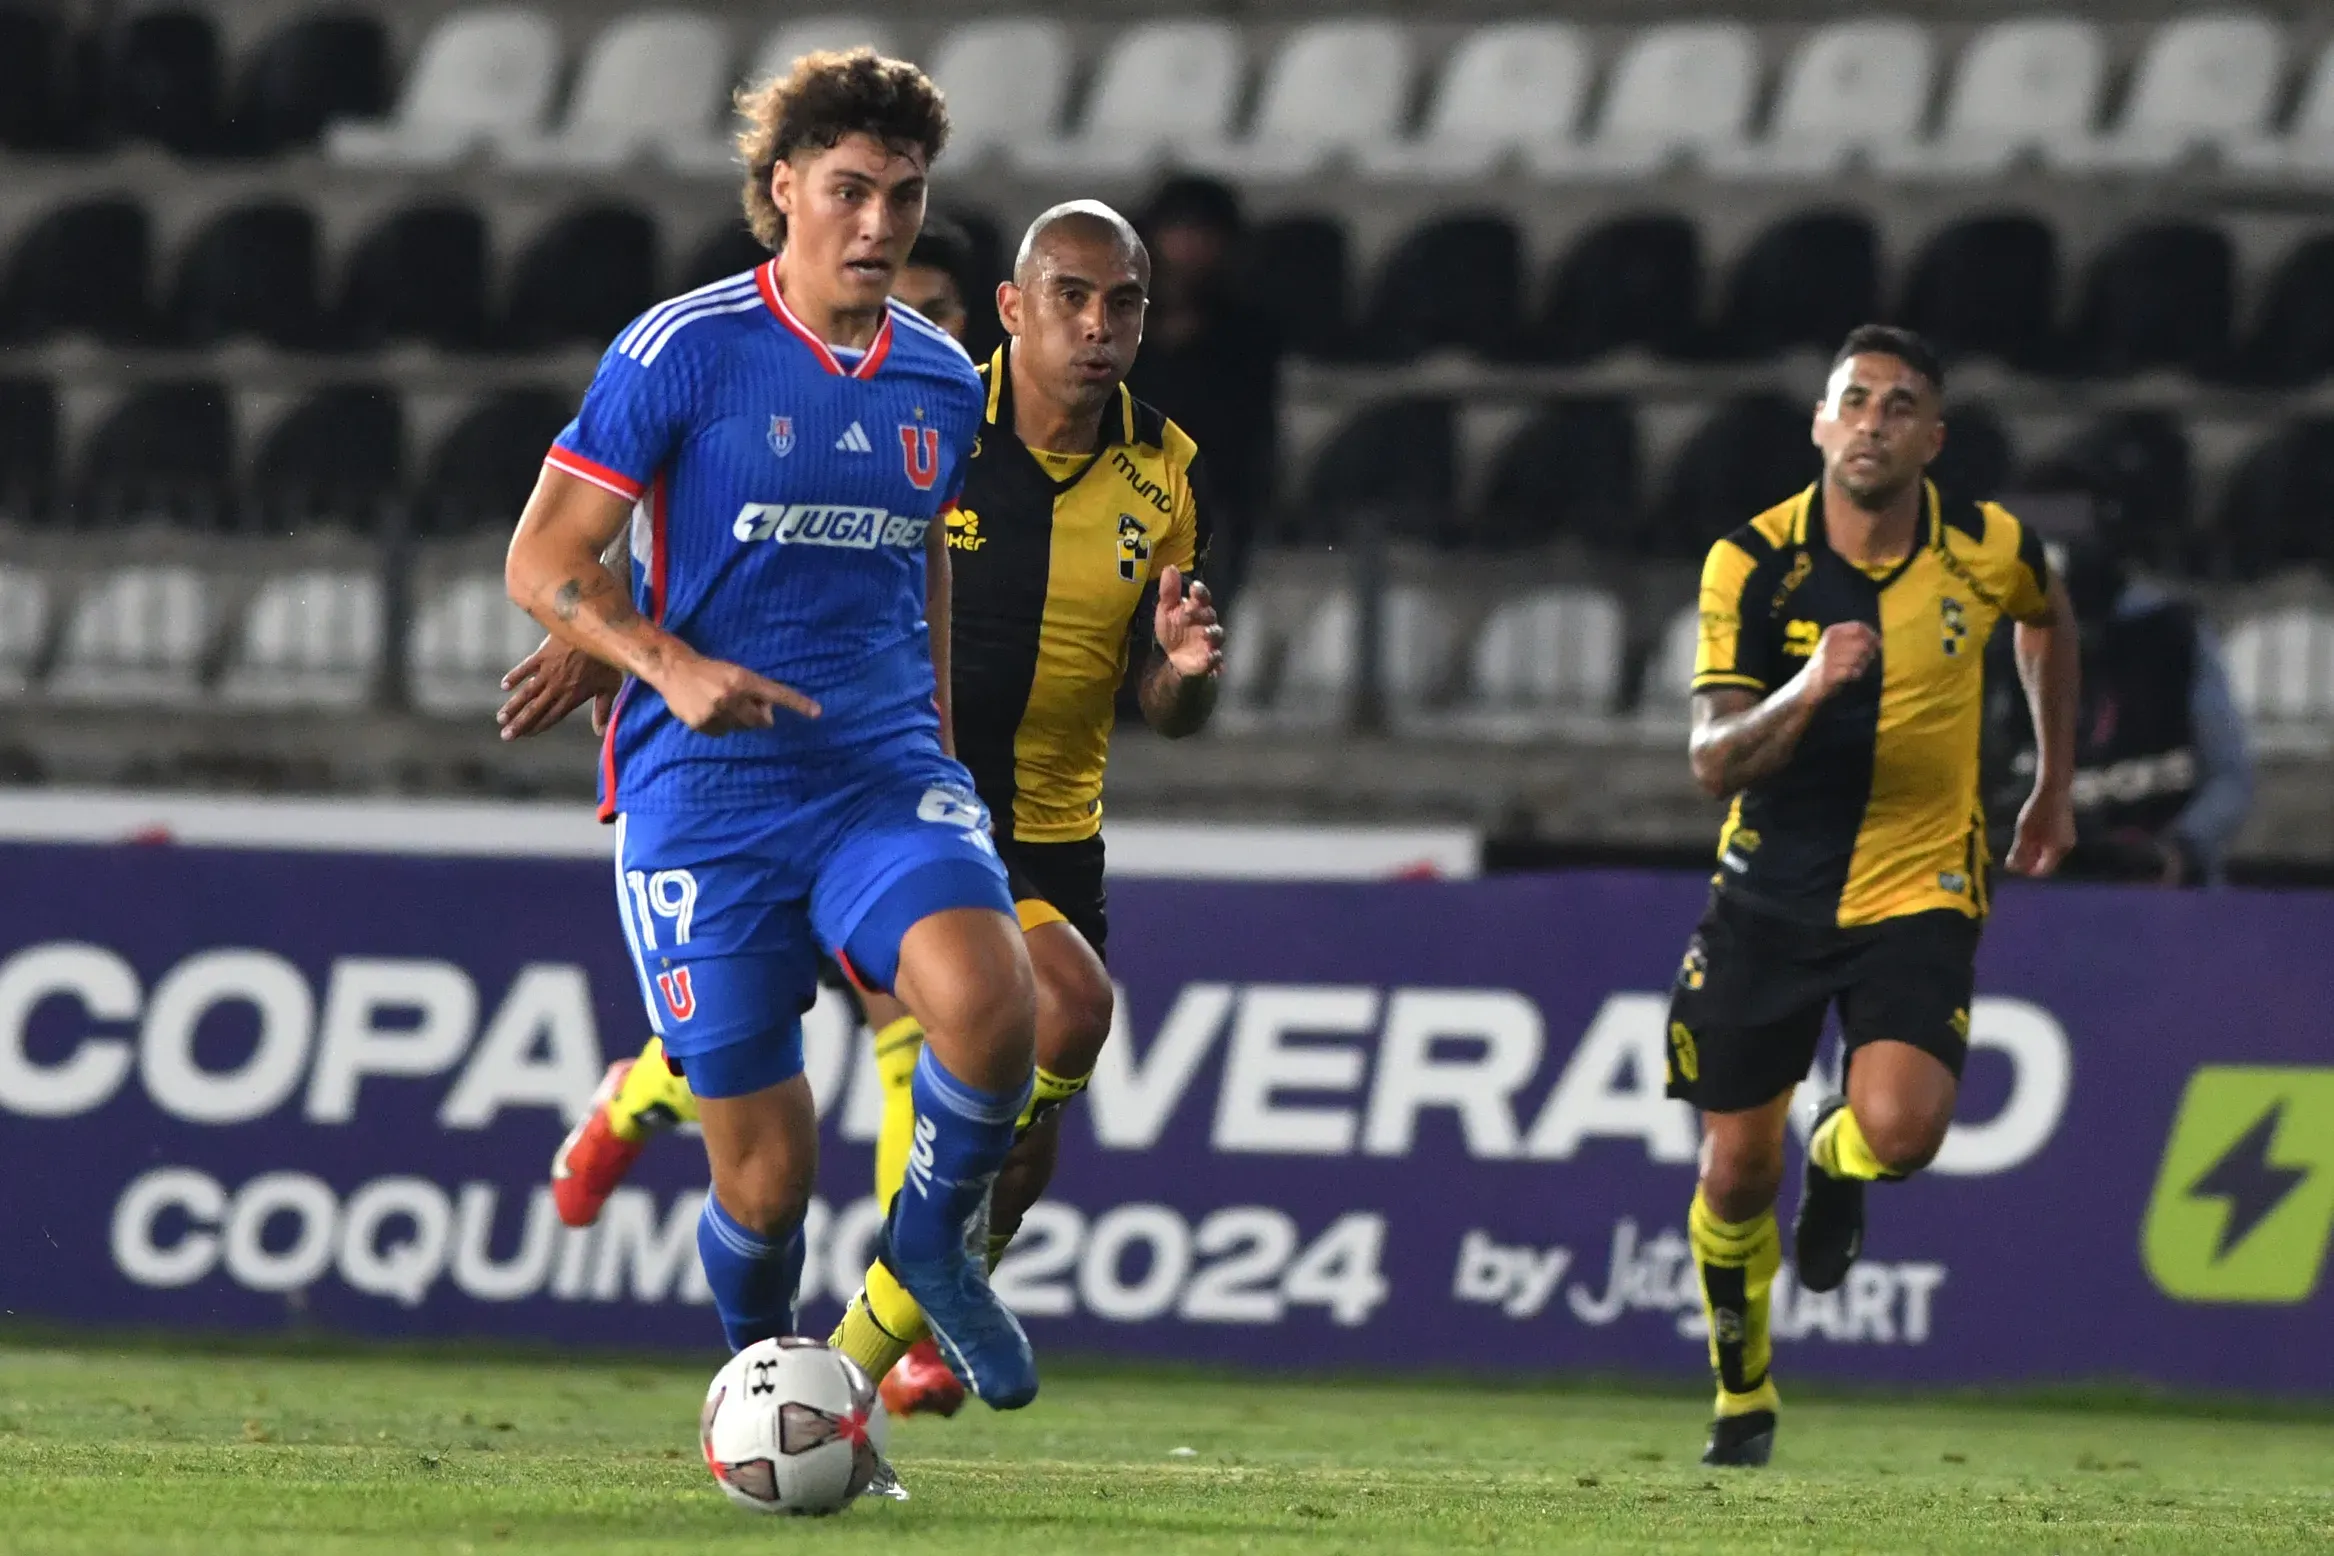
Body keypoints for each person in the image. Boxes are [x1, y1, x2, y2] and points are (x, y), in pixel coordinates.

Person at [502, 200, 1225, 1417]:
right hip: (864, 782)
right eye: (1072, 298)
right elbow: (729, 511)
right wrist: (623, 632)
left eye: (1124, 304)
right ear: (1013, 309)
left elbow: (1158, 699)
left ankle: (869, 1339)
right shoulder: (929, 397)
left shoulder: (1166, 472)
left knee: (1016, 1113)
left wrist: (1182, 678)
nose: (1099, 328)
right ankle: (840, 1329)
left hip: (1027, 815)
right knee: (944, 1042)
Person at [499, 48, 1044, 1411]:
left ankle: (930, 1240)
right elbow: (547, 554)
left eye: (905, 198)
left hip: (875, 773)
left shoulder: (936, 380)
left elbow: (920, 561)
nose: (878, 225)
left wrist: (940, 742)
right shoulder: (682, 350)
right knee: (766, 1175)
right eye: (850, 191)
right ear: (782, 188)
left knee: (991, 1008)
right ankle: (771, 1387)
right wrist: (653, 659)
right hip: (707, 790)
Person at [1666, 325, 2077, 1468]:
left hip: (1922, 877)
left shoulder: (1989, 545)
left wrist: (2051, 779)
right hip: (1768, 896)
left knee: (1901, 1128)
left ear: (1931, 439)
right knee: (1736, 1167)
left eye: (1900, 406)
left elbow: (2047, 614)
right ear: (1819, 421)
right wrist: (1806, 687)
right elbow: (1711, 762)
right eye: (1854, 399)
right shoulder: (1749, 561)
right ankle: (1742, 1392)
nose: (1872, 421)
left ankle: (1841, 1169)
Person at [1983, 532, 2254, 884]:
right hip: (2027, 889)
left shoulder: (2171, 637)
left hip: (2158, 885)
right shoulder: (1996, 647)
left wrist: (2184, 847)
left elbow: (2230, 778)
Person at [1125, 175, 1277, 611]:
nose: (1188, 248)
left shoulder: (1247, 335)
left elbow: (1245, 440)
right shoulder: (1117, 323)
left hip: (1208, 512)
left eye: (1202, 234)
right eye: (1178, 231)